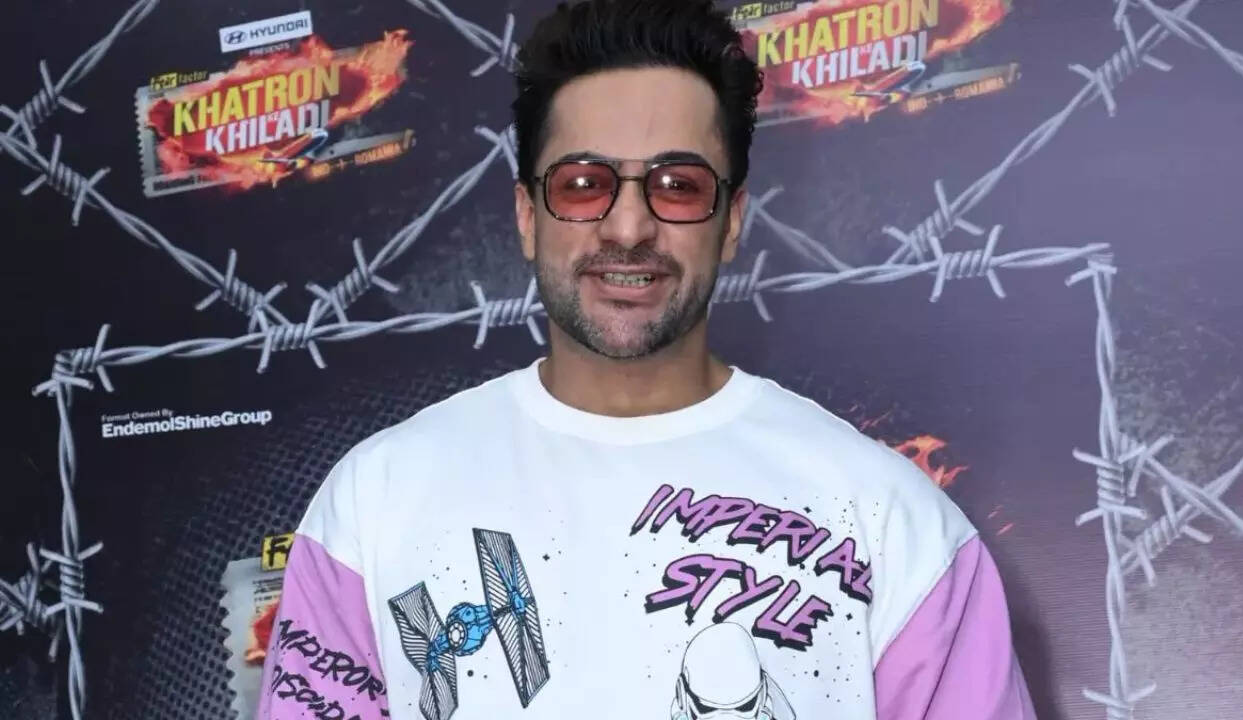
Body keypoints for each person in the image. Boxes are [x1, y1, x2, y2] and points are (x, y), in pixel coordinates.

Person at [256, 0, 1037, 718]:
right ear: (527, 214)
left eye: (677, 184)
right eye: (584, 182)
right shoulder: (377, 504)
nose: (628, 227)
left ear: (732, 220)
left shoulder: (891, 523)